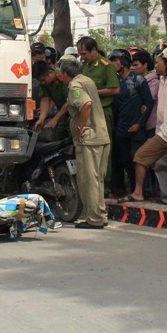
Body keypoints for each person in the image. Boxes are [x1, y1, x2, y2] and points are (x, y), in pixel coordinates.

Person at [128, 47, 167, 205]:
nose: (155, 65)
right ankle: (138, 193)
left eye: (159, 62)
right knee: (141, 157)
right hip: (163, 134)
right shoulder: (166, 81)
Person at [56, 59, 110, 229]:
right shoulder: (88, 80)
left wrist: (81, 126)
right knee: (98, 178)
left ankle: (93, 218)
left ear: (65, 74)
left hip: (89, 139)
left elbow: (86, 104)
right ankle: (100, 213)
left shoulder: (75, 86)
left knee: (88, 179)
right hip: (102, 135)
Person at [76, 37, 120, 189]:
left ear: (94, 50)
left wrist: (93, 92)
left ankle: (104, 186)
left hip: (102, 112)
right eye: (80, 54)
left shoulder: (106, 66)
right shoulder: (84, 67)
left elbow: (115, 89)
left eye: (84, 53)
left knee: (103, 150)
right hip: (86, 112)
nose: (82, 57)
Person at [108, 50, 152, 198]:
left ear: (124, 62)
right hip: (121, 129)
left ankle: (145, 191)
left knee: (138, 159)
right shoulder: (115, 83)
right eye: (112, 60)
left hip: (136, 129)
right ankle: (133, 190)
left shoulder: (138, 80)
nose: (113, 64)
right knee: (126, 162)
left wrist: (140, 123)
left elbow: (148, 103)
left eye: (116, 60)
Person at [32, 61, 69, 141]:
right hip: (63, 116)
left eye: (43, 80)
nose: (42, 83)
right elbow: (45, 99)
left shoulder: (64, 78)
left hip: (73, 114)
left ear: (50, 72)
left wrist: (55, 119)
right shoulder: (45, 83)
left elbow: (69, 102)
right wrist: (41, 119)